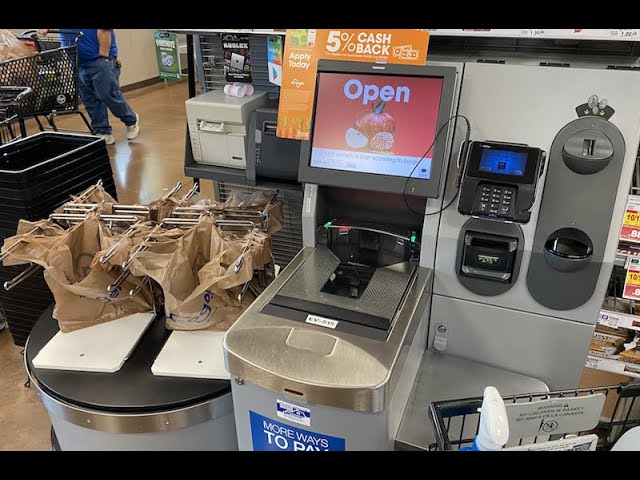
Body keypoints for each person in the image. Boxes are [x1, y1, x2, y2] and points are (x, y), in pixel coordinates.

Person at [37, 29, 140, 145]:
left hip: (99, 59)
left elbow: (104, 31)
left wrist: (103, 58)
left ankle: (131, 121)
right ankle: (102, 131)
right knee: (90, 99)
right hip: (76, 61)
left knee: (108, 95)